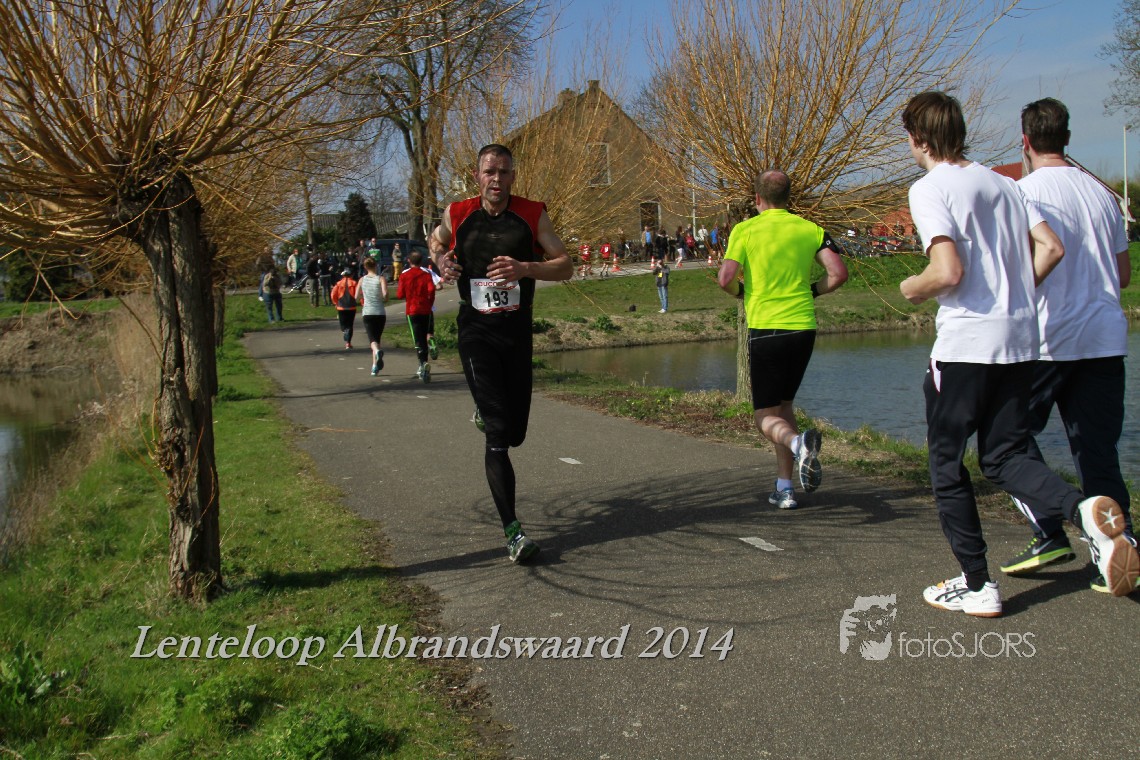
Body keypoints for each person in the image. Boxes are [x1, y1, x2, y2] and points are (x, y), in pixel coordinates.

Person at [898, 91, 1137, 616]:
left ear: (919, 139)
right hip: (1024, 341)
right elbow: (1051, 246)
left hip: (967, 344)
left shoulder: (929, 187)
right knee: (1004, 456)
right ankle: (1084, 513)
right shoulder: (1006, 184)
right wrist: (1016, 296)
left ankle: (977, 584)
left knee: (945, 463)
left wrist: (912, 287)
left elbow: (947, 271)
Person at [998, 97, 1139, 594]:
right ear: (1068, 138)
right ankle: (1121, 546)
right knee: (1098, 450)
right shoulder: (1102, 195)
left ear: (1025, 141)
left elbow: (1016, 268)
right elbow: (1123, 275)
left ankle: (1050, 528)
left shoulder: (1021, 193)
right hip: (1104, 338)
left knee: (1004, 438)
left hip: (1046, 339)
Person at [429, 143, 573, 563]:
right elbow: (436, 241)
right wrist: (441, 262)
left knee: (515, 433)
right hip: (476, 332)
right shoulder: (458, 213)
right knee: (497, 433)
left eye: (504, 172)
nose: (496, 179)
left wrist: (526, 268)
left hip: (516, 333)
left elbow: (565, 265)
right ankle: (513, 531)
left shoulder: (532, 214)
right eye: (489, 171)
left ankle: (487, 409)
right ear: (477, 176)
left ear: (513, 177)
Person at [717, 170, 848, 512]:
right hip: (803, 328)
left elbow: (725, 278)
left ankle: (797, 442)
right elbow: (838, 274)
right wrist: (812, 291)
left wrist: (742, 292)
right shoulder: (811, 229)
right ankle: (785, 488)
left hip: (767, 328)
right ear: (789, 197)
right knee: (784, 407)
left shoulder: (745, 230)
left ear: (757, 198)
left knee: (764, 416)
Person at [397, 251, 436, 382]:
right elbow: (431, 290)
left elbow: (399, 294)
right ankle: (424, 362)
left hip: (412, 310)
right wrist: (429, 303)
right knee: (425, 336)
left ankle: (422, 363)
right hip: (425, 309)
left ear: (409, 261)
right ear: (421, 261)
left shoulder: (404, 275)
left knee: (417, 338)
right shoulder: (426, 275)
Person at [355, 257, 389, 375]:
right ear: (376, 265)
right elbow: (385, 294)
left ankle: (376, 355)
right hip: (380, 312)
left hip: (368, 312)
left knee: (372, 339)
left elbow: (356, 297)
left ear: (365, 267)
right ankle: (374, 366)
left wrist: (363, 296)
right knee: (377, 338)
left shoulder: (362, 280)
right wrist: (384, 298)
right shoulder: (381, 279)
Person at [329, 268, 359, 349]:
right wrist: (361, 302)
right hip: (351, 307)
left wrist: (336, 302)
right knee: (350, 324)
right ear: (351, 275)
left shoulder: (338, 284)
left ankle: (344, 331)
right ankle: (348, 343)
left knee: (343, 324)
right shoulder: (354, 283)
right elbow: (359, 294)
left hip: (341, 307)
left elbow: (333, 294)